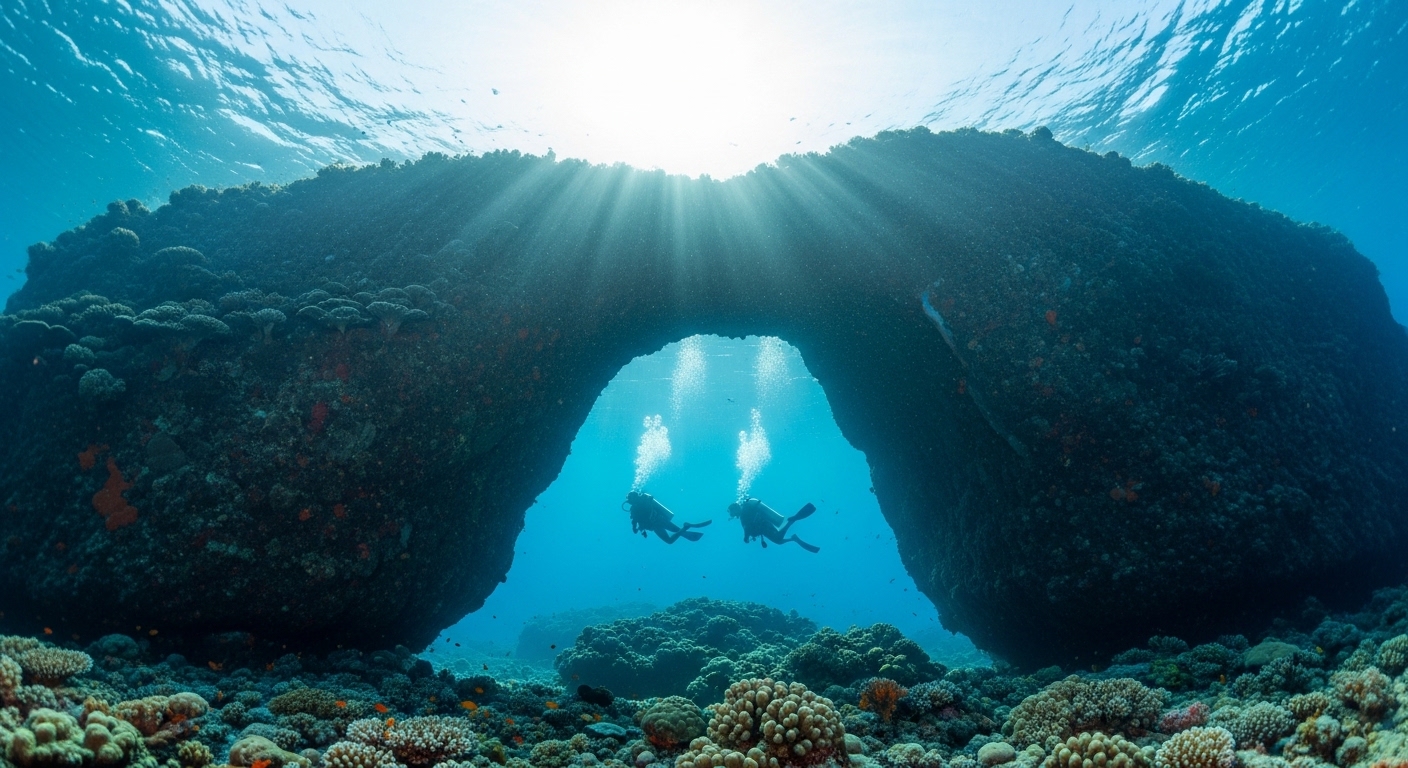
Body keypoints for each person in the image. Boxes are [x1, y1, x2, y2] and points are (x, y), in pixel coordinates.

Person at [728, 497, 820, 552]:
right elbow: (747, 527)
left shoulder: (745, 511)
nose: (733, 515)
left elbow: (746, 528)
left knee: (778, 538)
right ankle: (793, 538)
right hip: (763, 528)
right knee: (779, 541)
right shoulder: (745, 511)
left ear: (736, 508)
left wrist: (746, 538)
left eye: (732, 512)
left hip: (764, 526)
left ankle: (792, 521)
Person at [623, 491, 712, 543]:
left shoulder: (634, 510)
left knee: (669, 540)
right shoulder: (644, 500)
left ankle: (685, 527)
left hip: (656, 525)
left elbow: (634, 529)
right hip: (661, 519)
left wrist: (639, 528)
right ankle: (685, 527)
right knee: (676, 531)